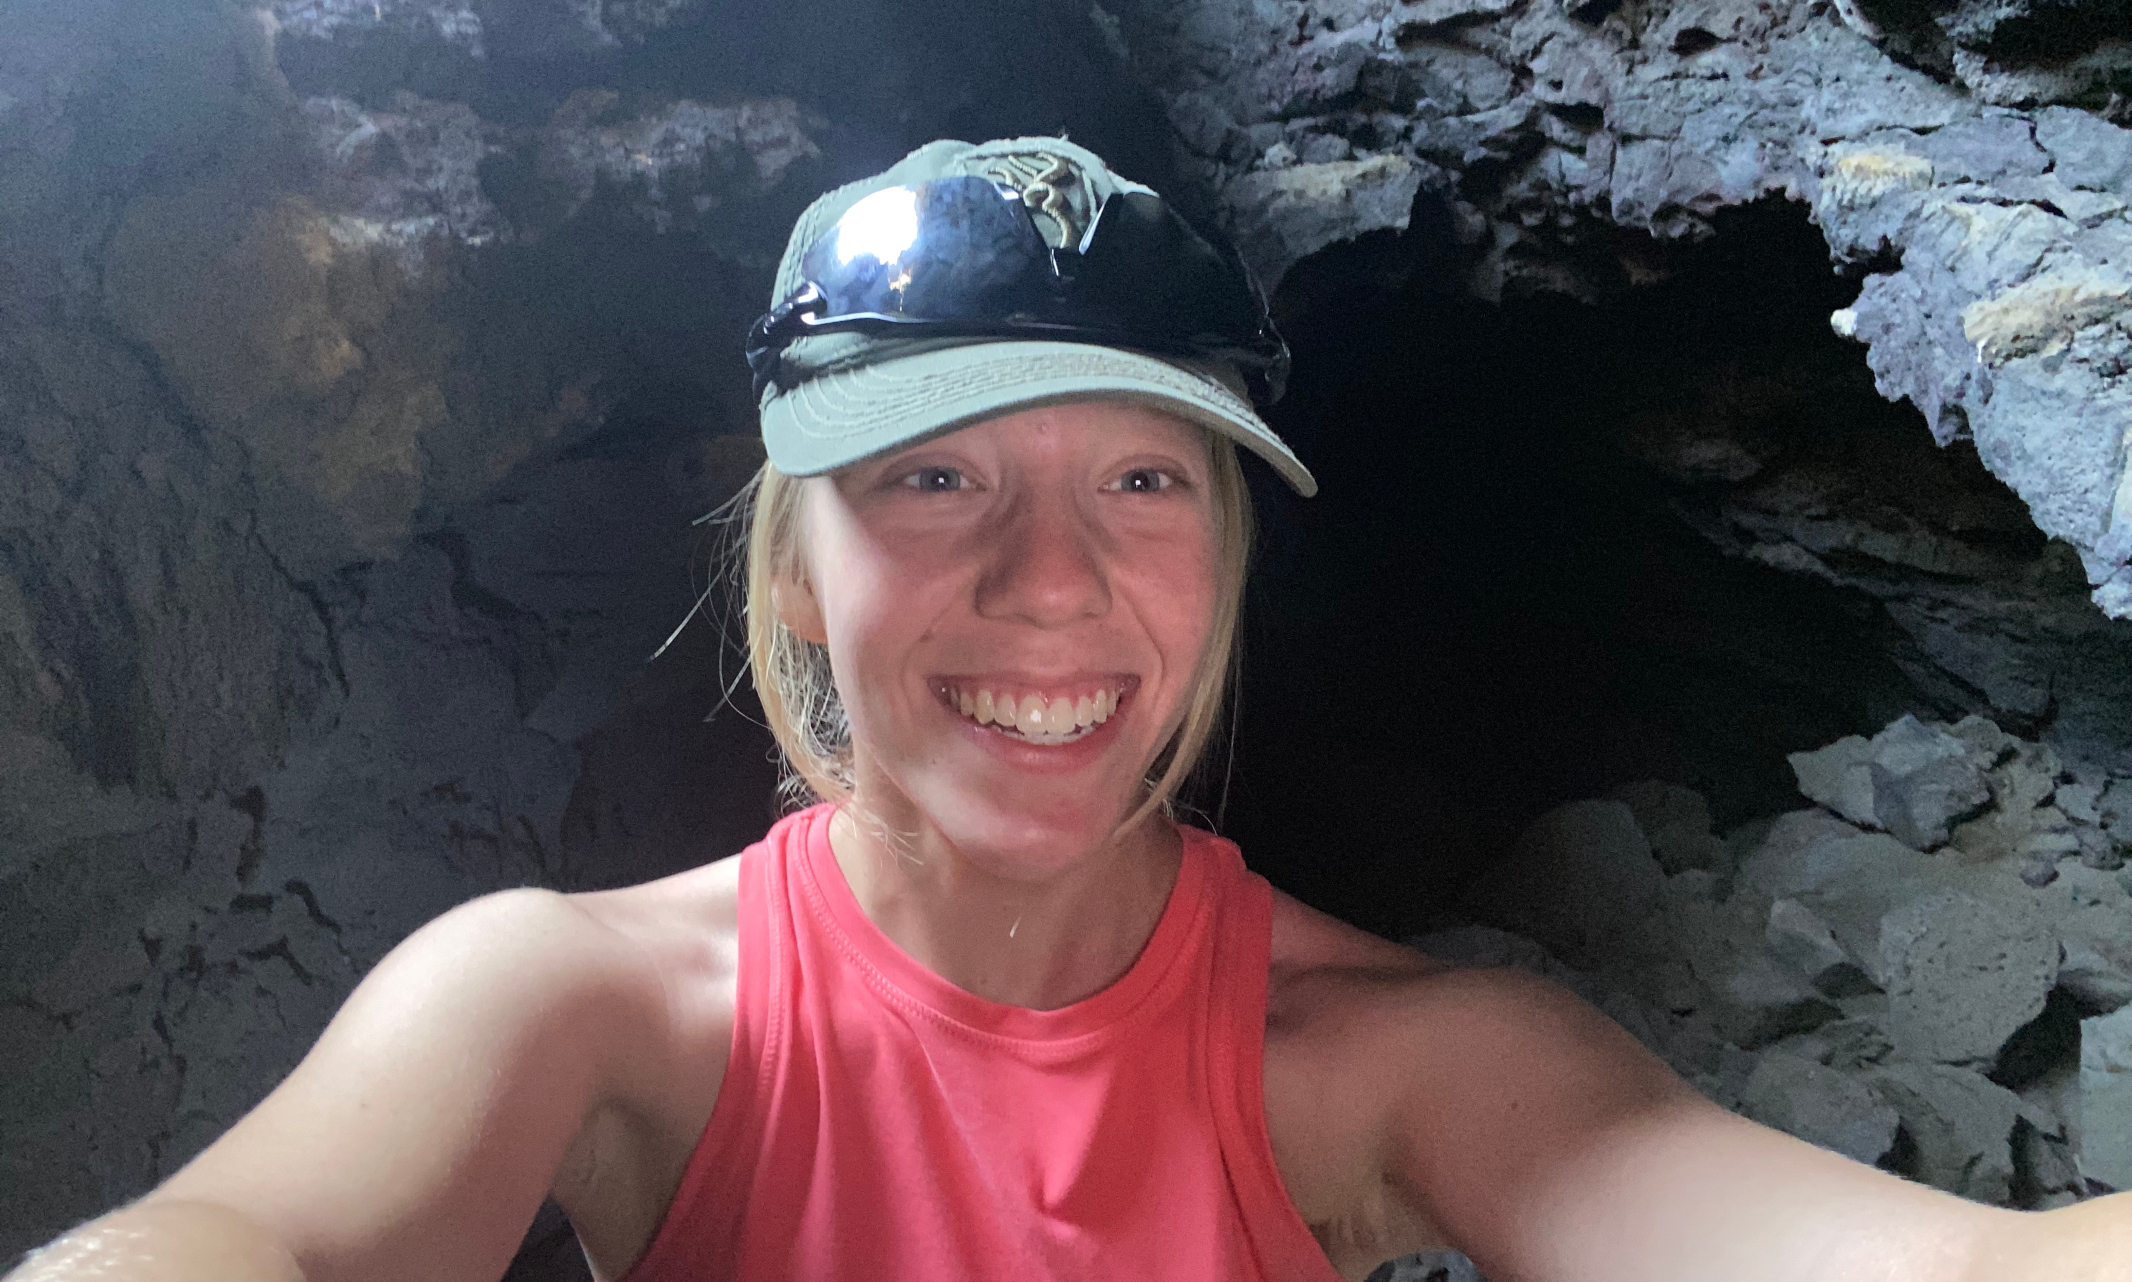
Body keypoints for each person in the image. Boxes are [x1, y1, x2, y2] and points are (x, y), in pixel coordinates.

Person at [10, 136, 2128, 1282]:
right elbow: (252, 1235)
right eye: (932, 478)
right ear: (790, 571)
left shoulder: (1404, 1057)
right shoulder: (576, 1003)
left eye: (1139, 478)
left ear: (1223, 554)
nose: (1048, 580)